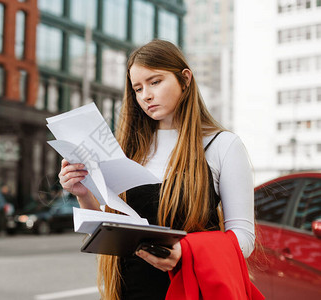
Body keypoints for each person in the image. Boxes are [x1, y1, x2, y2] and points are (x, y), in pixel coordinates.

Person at [58, 39, 258, 300]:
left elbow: (244, 239)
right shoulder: (128, 150)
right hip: (132, 291)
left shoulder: (223, 145)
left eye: (155, 82)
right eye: (137, 88)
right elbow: (108, 235)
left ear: (185, 79)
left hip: (193, 290)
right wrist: (83, 193)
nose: (145, 96)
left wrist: (186, 252)